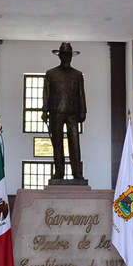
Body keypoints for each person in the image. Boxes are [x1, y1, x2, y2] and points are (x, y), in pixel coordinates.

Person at [43, 42, 86, 181]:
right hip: (56, 113)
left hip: (73, 113)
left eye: (68, 55)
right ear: (60, 56)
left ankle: (77, 172)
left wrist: (83, 111)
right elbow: (46, 94)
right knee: (57, 144)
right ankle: (59, 172)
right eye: (64, 54)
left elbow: (81, 94)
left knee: (75, 143)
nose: (67, 57)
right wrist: (44, 110)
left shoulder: (77, 74)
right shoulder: (51, 74)